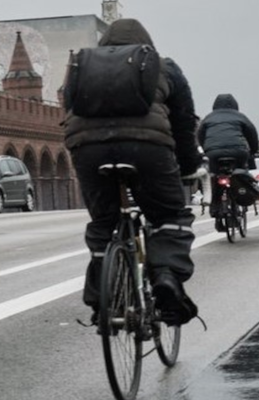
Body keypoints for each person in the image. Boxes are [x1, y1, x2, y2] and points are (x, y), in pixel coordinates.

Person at [64, 18, 204, 326]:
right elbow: (183, 123)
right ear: (146, 44)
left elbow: (68, 109)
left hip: (88, 148)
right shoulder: (165, 67)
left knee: (103, 222)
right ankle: (166, 276)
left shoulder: (80, 66)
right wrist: (188, 167)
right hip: (148, 147)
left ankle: (101, 295)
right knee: (169, 217)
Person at [197, 94, 259, 230]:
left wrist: (206, 148)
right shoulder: (240, 117)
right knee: (241, 173)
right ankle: (240, 192)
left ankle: (215, 207)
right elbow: (252, 134)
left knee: (213, 176)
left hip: (213, 153)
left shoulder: (208, 118)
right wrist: (253, 150)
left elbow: (200, 136)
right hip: (238, 152)